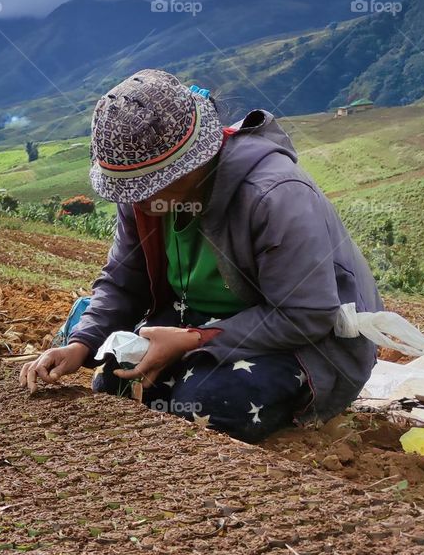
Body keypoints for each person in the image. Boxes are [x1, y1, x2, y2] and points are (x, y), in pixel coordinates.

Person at [20, 69, 381, 443]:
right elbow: (122, 282)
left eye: (151, 186)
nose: (140, 200)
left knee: (208, 406)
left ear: (197, 160)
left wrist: (194, 340)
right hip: (190, 322)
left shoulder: (273, 195)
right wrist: (81, 343)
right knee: (117, 386)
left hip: (298, 340)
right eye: (130, 190)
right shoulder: (142, 199)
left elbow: (308, 313)